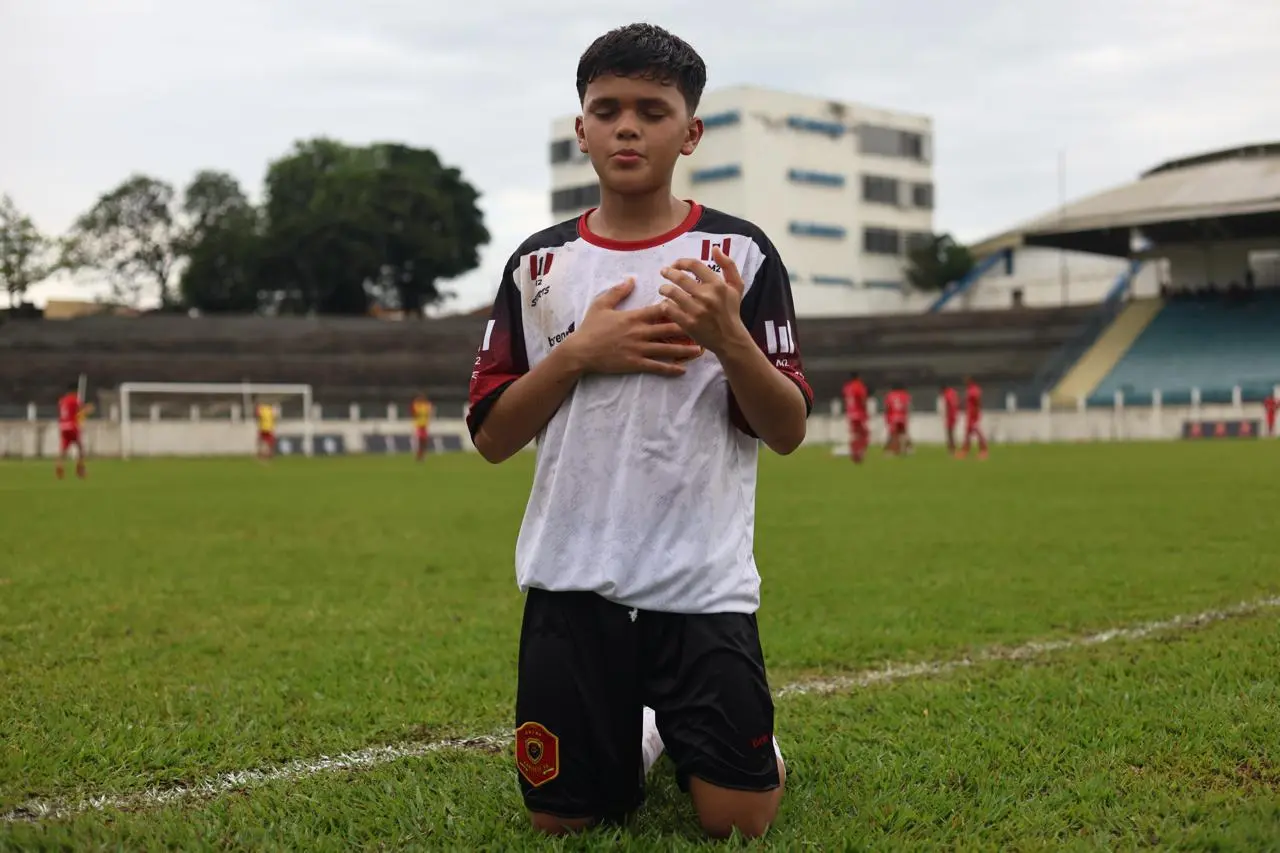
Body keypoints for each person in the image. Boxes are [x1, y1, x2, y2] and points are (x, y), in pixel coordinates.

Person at [466, 23, 808, 841]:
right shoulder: (538, 266)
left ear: (689, 132)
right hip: (571, 579)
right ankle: (648, 728)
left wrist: (730, 340)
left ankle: (686, 727)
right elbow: (490, 435)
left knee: (738, 823)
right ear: (581, 128)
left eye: (652, 110)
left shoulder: (739, 256)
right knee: (564, 819)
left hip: (700, 582)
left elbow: (787, 428)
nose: (627, 126)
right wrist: (580, 353)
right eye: (606, 108)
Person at [55, 383, 91, 479]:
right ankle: (80, 470)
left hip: (63, 426)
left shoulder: (62, 400)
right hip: (72, 426)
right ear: (75, 391)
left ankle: (59, 466)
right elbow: (81, 410)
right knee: (80, 448)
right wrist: (88, 409)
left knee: (63, 449)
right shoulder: (75, 399)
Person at [958, 375, 988, 459]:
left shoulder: (975, 389)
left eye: (966, 380)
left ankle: (984, 450)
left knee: (977, 432)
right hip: (970, 414)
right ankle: (965, 450)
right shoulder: (969, 389)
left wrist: (976, 413)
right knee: (967, 432)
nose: (965, 382)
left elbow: (977, 401)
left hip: (974, 415)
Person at [842, 372, 869, 463]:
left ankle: (854, 452)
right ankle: (859, 453)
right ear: (858, 377)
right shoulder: (859, 386)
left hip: (850, 413)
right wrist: (865, 411)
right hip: (859, 413)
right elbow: (862, 399)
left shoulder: (847, 387)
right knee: (863, 433)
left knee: (854, 433)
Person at [883, 383, 911, 455]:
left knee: (894, 434)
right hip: (902, 417)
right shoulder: (905, 395)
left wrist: (886, 417)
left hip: (893, 417)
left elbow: (887, 407)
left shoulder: (890, 395)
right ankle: (906, 449)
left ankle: (895, 451)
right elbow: (907, 406)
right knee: (903, 433)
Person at [411, 393, 433, 461]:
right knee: (419, 441)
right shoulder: (416, 405)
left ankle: (423, 455)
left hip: (424, 425)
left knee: (424, 441)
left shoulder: (426, 405)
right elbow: (414, 413)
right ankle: (419, 455)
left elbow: (429, 412)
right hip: (418, 425)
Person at [940, 383, 960, 454]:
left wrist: (946, 415)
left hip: (950, 416)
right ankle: (953, 448)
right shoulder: (953, 392)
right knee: (952, 432)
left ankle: (951, 449)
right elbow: (956, 403)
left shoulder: (947, 394)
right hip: (954, 415)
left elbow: (949, 405)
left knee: (949, 433)